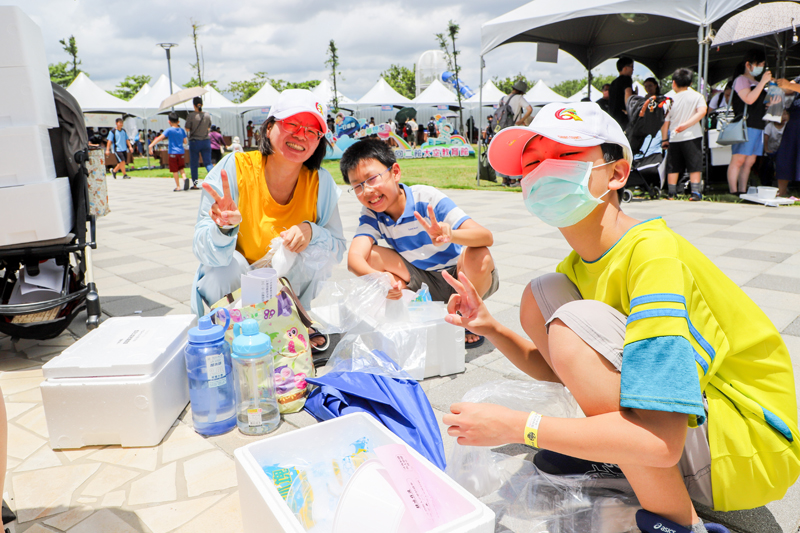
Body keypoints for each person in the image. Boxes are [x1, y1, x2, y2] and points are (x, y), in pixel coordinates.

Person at [443, 101, 799, 533]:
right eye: (531, 163)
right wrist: (489, 327)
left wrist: (521, 426)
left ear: (616, 173)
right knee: (542, 295)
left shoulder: (653, 254)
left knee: (572, 323)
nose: (542, 171)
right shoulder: (576, 266)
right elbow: (555, 367)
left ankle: (677, 523)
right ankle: (614, 456)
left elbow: (659, 441)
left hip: (747, 449)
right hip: (698, 431)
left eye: (566, 155)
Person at [192, 88, 346, 352]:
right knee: (227, 265)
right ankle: (226, 330)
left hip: (284, 290)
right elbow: (203, 250)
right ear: (269, 128)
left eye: (312, 131)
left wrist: (310, 231)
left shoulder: (321, 183)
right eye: (292, 124)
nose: (301, 136)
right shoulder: (235, 168)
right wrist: (223, 228)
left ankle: (293, 321)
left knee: (312, 250)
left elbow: (338, 247)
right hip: (233, 289)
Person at [341, 138, 499, 349]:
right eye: (357, 186)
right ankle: (411, 304)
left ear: (395, 172)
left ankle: (468, 317)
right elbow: (354, 259)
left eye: (371, 179)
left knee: (480, 255)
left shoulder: (427, 198)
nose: (367, 191)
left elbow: (485, 237)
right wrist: (382, 281)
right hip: (422, 281)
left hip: (460, 277)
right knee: (370, 255)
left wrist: (450, 234)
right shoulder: (372, 213)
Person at [727, 49, 772, 194]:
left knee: (750, 162)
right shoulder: (741, 80)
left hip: (758, 124)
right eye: (759, 64)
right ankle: (734, 190)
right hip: (745, 125)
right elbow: (749, 99)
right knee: (739, 160)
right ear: (749, 64)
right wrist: (763, 82)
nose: (761, 68)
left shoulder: (756, 82)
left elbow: (757, 100)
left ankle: (742, 189)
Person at [661, 68, 707, 201]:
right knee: (694, 165)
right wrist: (687, 125)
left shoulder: (669, 99)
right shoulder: (697, 96)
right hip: (693, 135)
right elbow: (702, 111)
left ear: (673, 83)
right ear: (691, 83)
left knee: (673, 165)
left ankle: (671, 193)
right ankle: (695, 192)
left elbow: (666, 121)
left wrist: (665, 139)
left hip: (675, 137)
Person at [497, 80, 533, 186]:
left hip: (502, 130)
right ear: (522, 91)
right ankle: (513, 180)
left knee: (504, 154)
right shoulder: (519, 98)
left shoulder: (503, 99)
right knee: (514, 154)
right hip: (513, 129)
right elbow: (529, 109)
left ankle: (504, 180)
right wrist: (522, 121)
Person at [148, 112, 188, 191]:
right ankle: (184, 178)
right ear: (178, 121)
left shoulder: (169, 130)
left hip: (172, 153)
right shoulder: (182, 130)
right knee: (181, 168)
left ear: (169, 121)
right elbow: (185, 142)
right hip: (181, 152)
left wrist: (151, 145)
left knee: (175, 170)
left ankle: (178, 186)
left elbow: (159, 138)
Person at [775, 77, 800, 196]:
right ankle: (782, 191)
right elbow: (789, 88)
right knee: (785, 155)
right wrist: (777, 82)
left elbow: (791, 87)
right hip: (794, 120)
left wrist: (789, 86)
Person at [185, 96, 213, 189]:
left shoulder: (191, 116)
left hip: (195, 141)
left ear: (194, 105)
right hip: (206, 140)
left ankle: (195, 184)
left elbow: (187, 128)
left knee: (194, 164)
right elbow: (209, 127)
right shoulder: (207, 115)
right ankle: (214, 180)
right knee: (208, 163)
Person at [762, 109, 789, 187]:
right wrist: (766, 149)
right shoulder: (769, 126)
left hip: (782, 152)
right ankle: (766, 183)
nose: (784, 117)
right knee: (767, 166)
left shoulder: (787, 126)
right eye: (781, 114)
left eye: (786, 114)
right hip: (770, 151)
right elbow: (765, 139)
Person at [609, 56, 636, 127]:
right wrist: (629, 110)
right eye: (631, 66)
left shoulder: (613, 82)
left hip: (612, 115)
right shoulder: (627, 79)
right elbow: (627, 93)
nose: (633, 69)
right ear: (625, 68)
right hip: (622, 116)